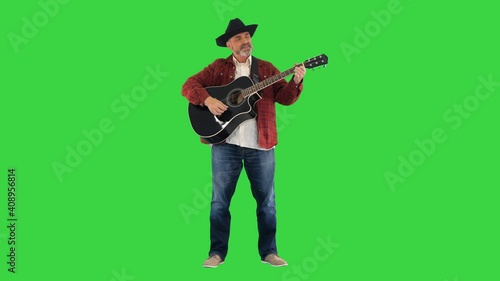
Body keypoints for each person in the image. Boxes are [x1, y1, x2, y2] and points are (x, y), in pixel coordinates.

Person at [181, 18, 306, 268]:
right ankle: (217, 253)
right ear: (229, 44)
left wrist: (296, 81)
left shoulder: (268, 69)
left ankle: (269, 252)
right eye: (238, 38)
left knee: (267, 202)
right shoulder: (218, 68)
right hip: (225, 142)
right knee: (219, 201)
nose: (245, 40)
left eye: (247, 36)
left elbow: (285, 98)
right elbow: (188, 85)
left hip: (262, 145)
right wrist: (207, 100)